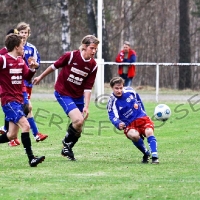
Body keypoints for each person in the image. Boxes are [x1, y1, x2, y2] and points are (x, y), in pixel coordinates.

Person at [33, 35, 100, 161]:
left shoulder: (93, 65)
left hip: (78, 96)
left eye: (96, 49)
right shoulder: (71, 56)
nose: (94, 51)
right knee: (78, 120)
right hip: (63, 92)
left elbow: (88, 87)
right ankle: (66, 143)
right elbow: (54, 66)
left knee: (79, 126)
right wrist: (40, 77)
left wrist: (86, 105)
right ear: (84, 47)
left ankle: (67, 147)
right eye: (92, 48)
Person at [0, 33, 45, 167]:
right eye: (21, 46)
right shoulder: (3, 60)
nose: (23, 48)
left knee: (11, 135)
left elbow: (26, 76)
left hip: (19, 100)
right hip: (9, 101)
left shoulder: (21, 60)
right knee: (26, 126)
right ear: (15, 47)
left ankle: (31, 158)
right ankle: (31, 159)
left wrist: (32, 68)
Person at [107, 77, 159, 164]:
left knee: (149, 131)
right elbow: (111, 115)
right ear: (112, 88)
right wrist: (118, 123)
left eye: (121, 88)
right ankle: (146, 153)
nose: (119, 90)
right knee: (134, 135)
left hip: (141, 118)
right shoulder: (112, 101)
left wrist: (144, 113)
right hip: (129, 124)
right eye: (116, 88)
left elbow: (139, 100)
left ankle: (155, 156)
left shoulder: (130, 91)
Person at [16, 22, 48, 143]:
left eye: (25, 32)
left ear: (28, 34)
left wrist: (35, 65)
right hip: (17, 82)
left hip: (28, 83)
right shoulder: (14, 47)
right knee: (27, 107)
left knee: (24, 108)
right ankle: (35, 134)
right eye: (21, 32)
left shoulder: (32, 48)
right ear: (17, 33)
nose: (23, 35)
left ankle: (10, 133)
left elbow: (37, 63)